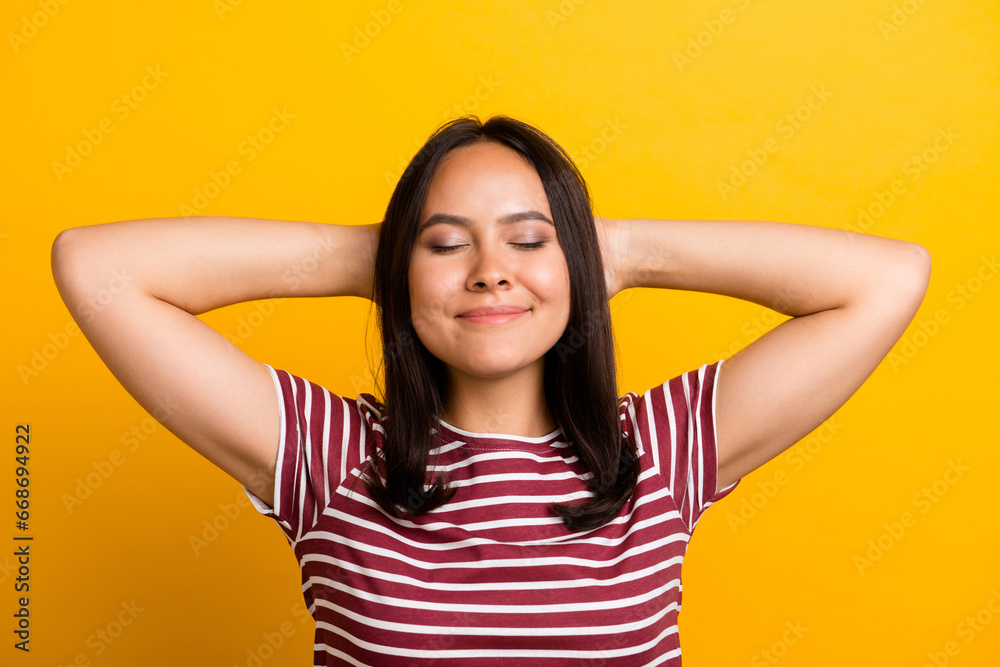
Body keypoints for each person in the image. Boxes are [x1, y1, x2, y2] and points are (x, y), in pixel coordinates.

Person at [51, 114, 931, 665]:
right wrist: (393, 256)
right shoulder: (328, 455)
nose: (489, 273)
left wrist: (613, 249)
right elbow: (98, 269)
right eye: (448, 244)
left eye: (527, 240)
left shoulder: (661, 452)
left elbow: (889, 278)